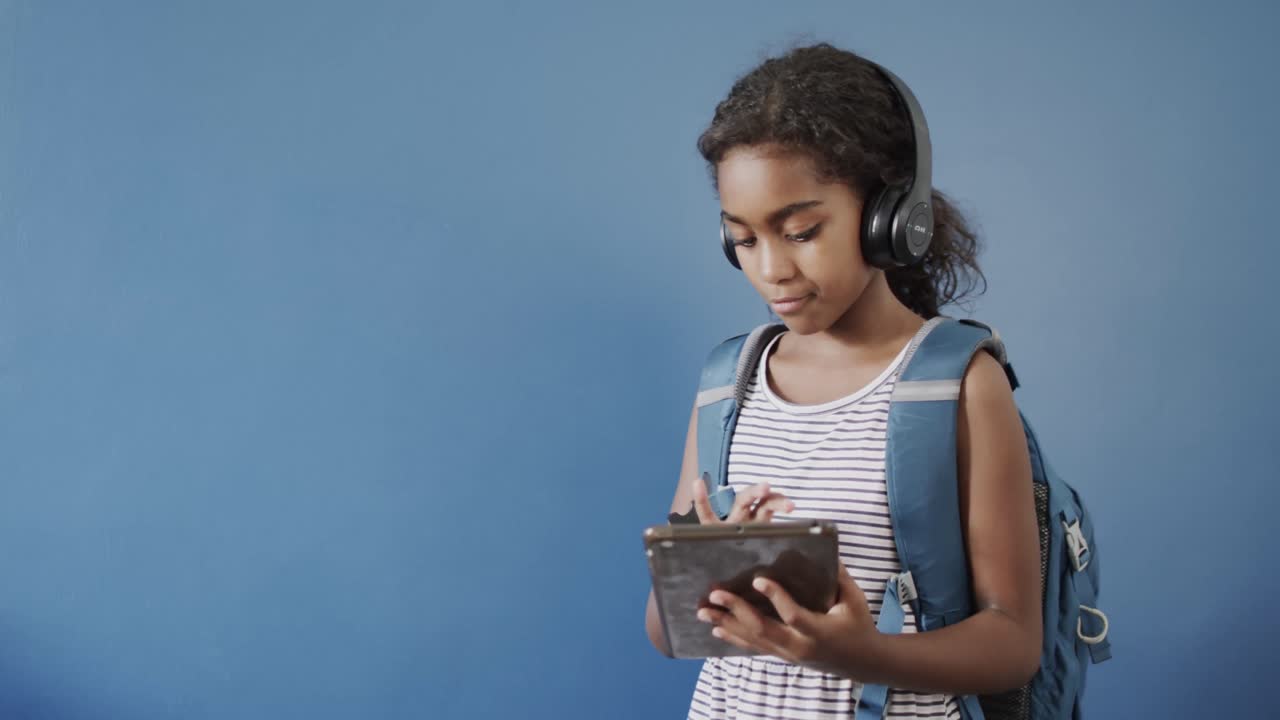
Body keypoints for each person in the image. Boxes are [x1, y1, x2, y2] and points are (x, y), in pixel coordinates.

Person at [643, 43, 1043, 719]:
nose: (771, 269)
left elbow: (1013, 643)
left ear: (889, 218)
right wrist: (702, 571)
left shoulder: (959, 386)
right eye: (743, 240)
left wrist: (857, 653)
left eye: (800, 231)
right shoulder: (725, 388)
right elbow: (664, 632)